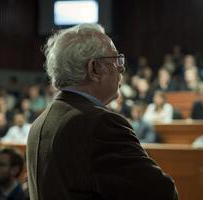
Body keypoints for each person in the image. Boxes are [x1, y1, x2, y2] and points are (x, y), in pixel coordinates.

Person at [27, 24, 178, 200]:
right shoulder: (99, 123)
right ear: (94, 69)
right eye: (116, 60)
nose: (121, 68)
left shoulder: (40, 122)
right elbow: (161, 193)